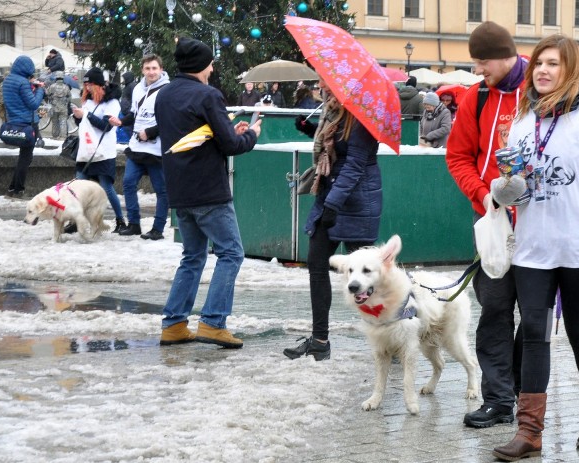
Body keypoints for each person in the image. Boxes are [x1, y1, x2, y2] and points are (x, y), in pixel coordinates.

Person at [488, 34, 579, 460]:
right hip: (533, 250)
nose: (543, 71)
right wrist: (506, 189)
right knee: (533, 333)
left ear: (570, 71)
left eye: (554, 64)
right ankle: (530, 431)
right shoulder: (525, 118)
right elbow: (519, 186)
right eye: (539, 64)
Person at [155, 37, 261, 348]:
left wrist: (229, 131)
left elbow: (192, 137)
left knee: (193, 256)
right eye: (210, 63)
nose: (213, 69)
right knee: (231, 253)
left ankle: (173, 324)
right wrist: (251, 135)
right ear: (201, 65)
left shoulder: (164, 95)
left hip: (179, 189)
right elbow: (230, 146)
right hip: (209, 191)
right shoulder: (207, 95)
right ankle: (213, 323)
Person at [445, 21, 526, 429]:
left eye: (483, 62)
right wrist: (481, 193)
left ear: (505, 54)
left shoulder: (543, 91)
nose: (479, 70)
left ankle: (517, 388)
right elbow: (457, 156)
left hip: (541, 225)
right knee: (494, 308)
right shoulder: (475, 98)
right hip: (493, 223)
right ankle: (497, 398)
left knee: (535, 313)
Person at [284, 76, 383, 361]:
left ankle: (392, 335)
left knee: (368, 277)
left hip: (356, 201)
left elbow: (353, 165)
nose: (322, 88)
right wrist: (310, 130)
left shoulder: (363, 118)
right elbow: (336, 144)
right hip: (331, 196)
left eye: (327, 84)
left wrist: (332, 204)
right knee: (316, 263)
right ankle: (320, 339)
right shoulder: (333, 111)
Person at [116, 53, 170, 241]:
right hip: (136, 146)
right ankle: (134, 223)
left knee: (161, 190)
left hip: (156, 149)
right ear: (142, 70)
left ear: (161, 69)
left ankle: (158, 228)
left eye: (154, 68)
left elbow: (170, 120)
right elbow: (135, 114)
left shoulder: (167, 90)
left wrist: (151, 132)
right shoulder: (138, 88)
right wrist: (121, 122)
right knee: (128, 183)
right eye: (147, 68)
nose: (151, 72)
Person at [69, 67, 127, 232]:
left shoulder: (112, 102)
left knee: (106, 187)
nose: (87, 88)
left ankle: (120, 220)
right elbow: (85, 126)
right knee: (77, 185)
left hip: (103, 151)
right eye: (85, 84)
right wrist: (78, 117)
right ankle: (75, 221)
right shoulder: (87, 101)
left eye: (90, 84)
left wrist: (86, 115)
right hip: (86, 150)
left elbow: (105, 126)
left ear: (100, 85)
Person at [4, 55, 45, 198]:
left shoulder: (8, 80)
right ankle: (18, 190)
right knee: (26, 158)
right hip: (27, 124)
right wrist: (40, 90)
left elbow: (18, 99)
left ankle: (11, 189)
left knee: (24, 157)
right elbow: (33, 104)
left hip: (13, 121)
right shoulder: (22, 82)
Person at [45, 71, 71, 139]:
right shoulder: (66, 87)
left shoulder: (52, 86)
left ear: (56, 77)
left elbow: (47, 93)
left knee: (55, 122)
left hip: (54, 107)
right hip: (63, 107)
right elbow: (69, 97)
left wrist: (50, 98)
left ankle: (55, 136)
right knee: (63, 122)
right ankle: (63, 137)